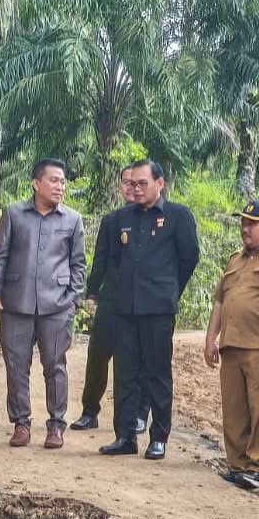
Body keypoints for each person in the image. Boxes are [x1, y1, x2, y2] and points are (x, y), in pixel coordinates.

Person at [98, 159, 200, 460]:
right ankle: (125, 435)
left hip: (158, 308)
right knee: (125, 373)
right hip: (125, 308)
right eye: (133, 184)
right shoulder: (121, 218)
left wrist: (169, 290)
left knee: (156, 373)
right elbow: (115, 261)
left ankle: (159, 437)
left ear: (160, 183)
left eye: (143, 184)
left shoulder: (178, 216)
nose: (137, 189)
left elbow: (189, 259)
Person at [0, 158, 87, 448]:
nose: (60, 186)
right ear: (36, 183)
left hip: (57, 305)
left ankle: (56, 425)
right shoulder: (15, 213)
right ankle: (21, 423)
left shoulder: (72, 219)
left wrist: (72, 300)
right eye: (54, 180)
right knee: (16, 365)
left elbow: (78, 264)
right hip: (16, 303)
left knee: (55, 366)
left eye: (63, 181)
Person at [205, 201, 259, 490]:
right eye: (243, 222)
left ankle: (257, 468)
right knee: (234, 408)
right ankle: (237, 464)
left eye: (251, 223)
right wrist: (211, 338)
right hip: (231, 343)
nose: (245, 228)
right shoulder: (235, 260)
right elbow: (220, 300)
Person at [71, 166, 151, 433]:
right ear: (121, 187)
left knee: (139, 361)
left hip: (144, 303)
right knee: (97, 355)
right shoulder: (112, 220)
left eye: (137, 183)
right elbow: (101, 260)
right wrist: (92, 293)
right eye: (127, 183)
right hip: (112, 300)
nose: (132, 188)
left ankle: (139, 414)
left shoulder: (157, 218)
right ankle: (89, 410)